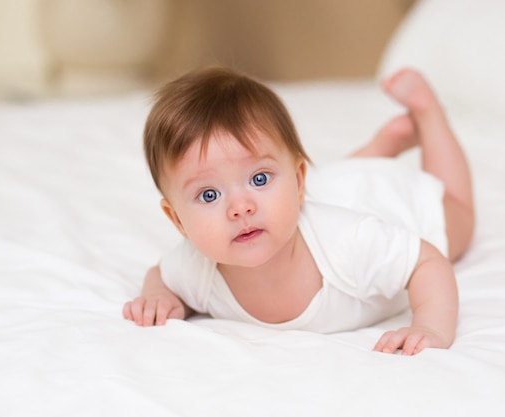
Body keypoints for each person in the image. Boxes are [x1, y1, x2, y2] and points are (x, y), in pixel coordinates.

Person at [122, 67, 474, 355]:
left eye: (259, 178)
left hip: (378, 198)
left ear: (297, 179)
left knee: (459, 222)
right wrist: (159, 297)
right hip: (330, 187)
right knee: (331, 183)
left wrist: (429, 326)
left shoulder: (349, 241)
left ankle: (430, 117)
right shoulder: (197, 268)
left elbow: (427, 262)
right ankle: (382, 146)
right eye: (209, 194)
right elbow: (160, 276)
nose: (240, 207)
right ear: (177, 220)